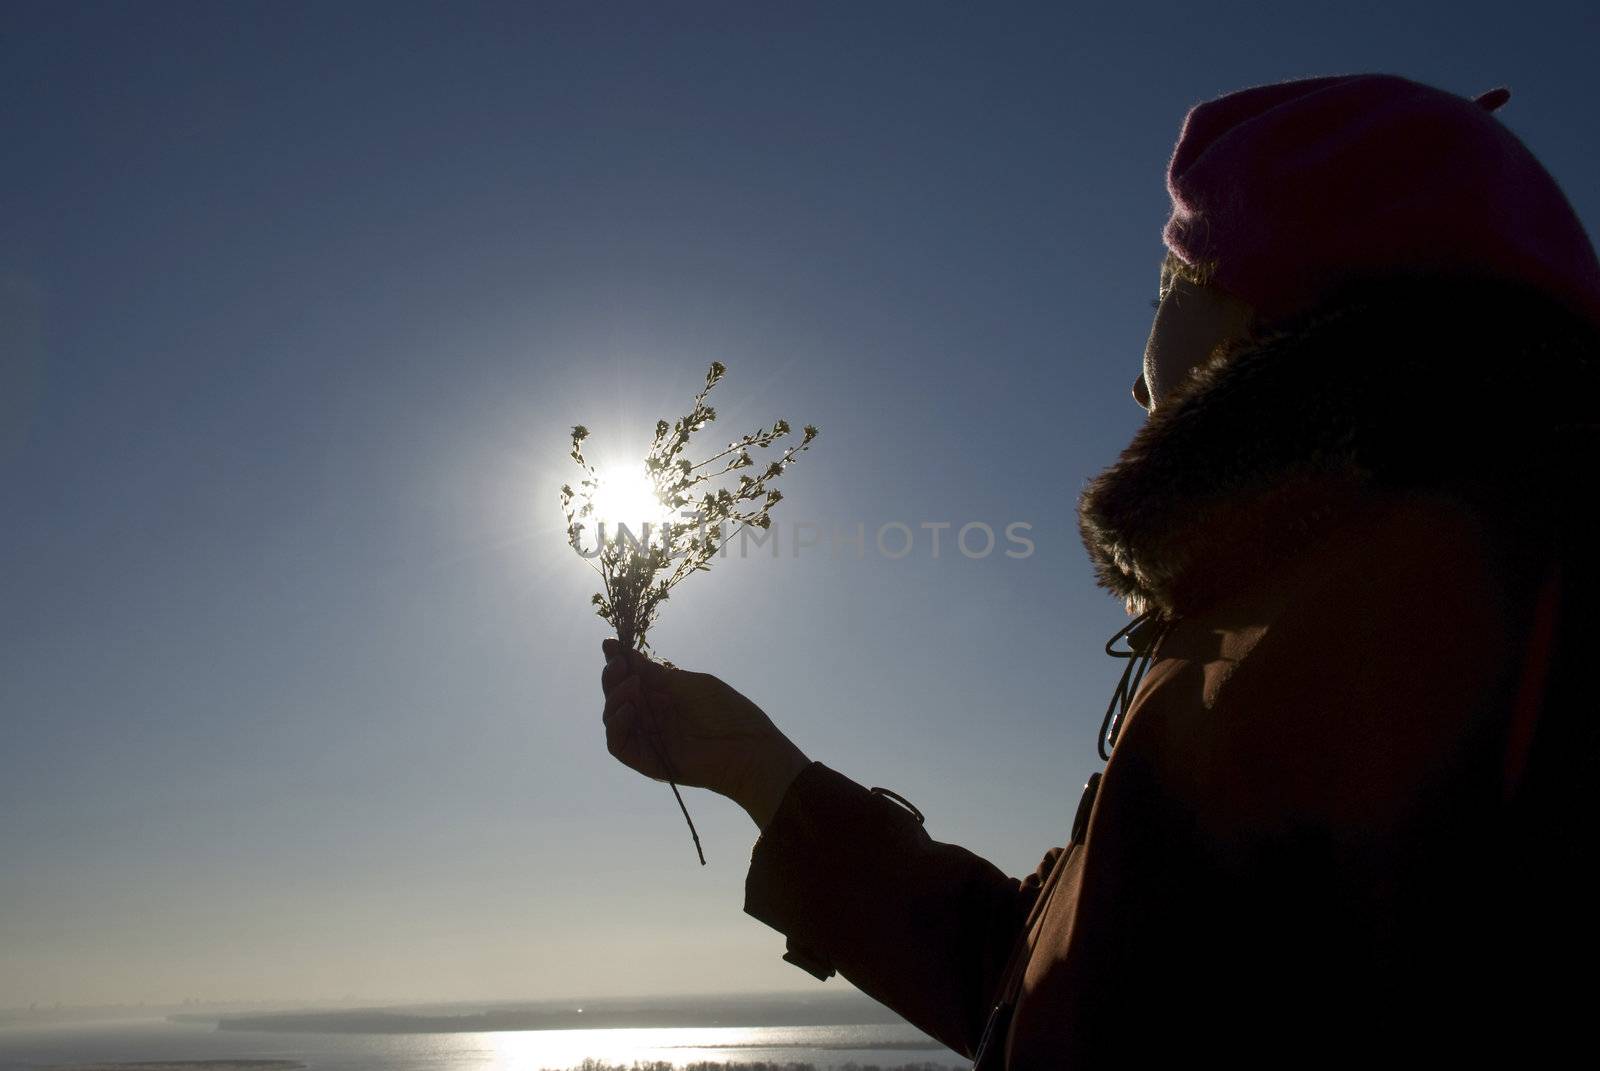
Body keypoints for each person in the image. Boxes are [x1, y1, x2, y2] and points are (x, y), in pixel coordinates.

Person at [598, 73, 1600, 1065]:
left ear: (1266, 299)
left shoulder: (1399, 634)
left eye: (1167, 289)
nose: (1132, 378)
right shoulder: (1264, 615)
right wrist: (756, 771)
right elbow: (1056, 988)